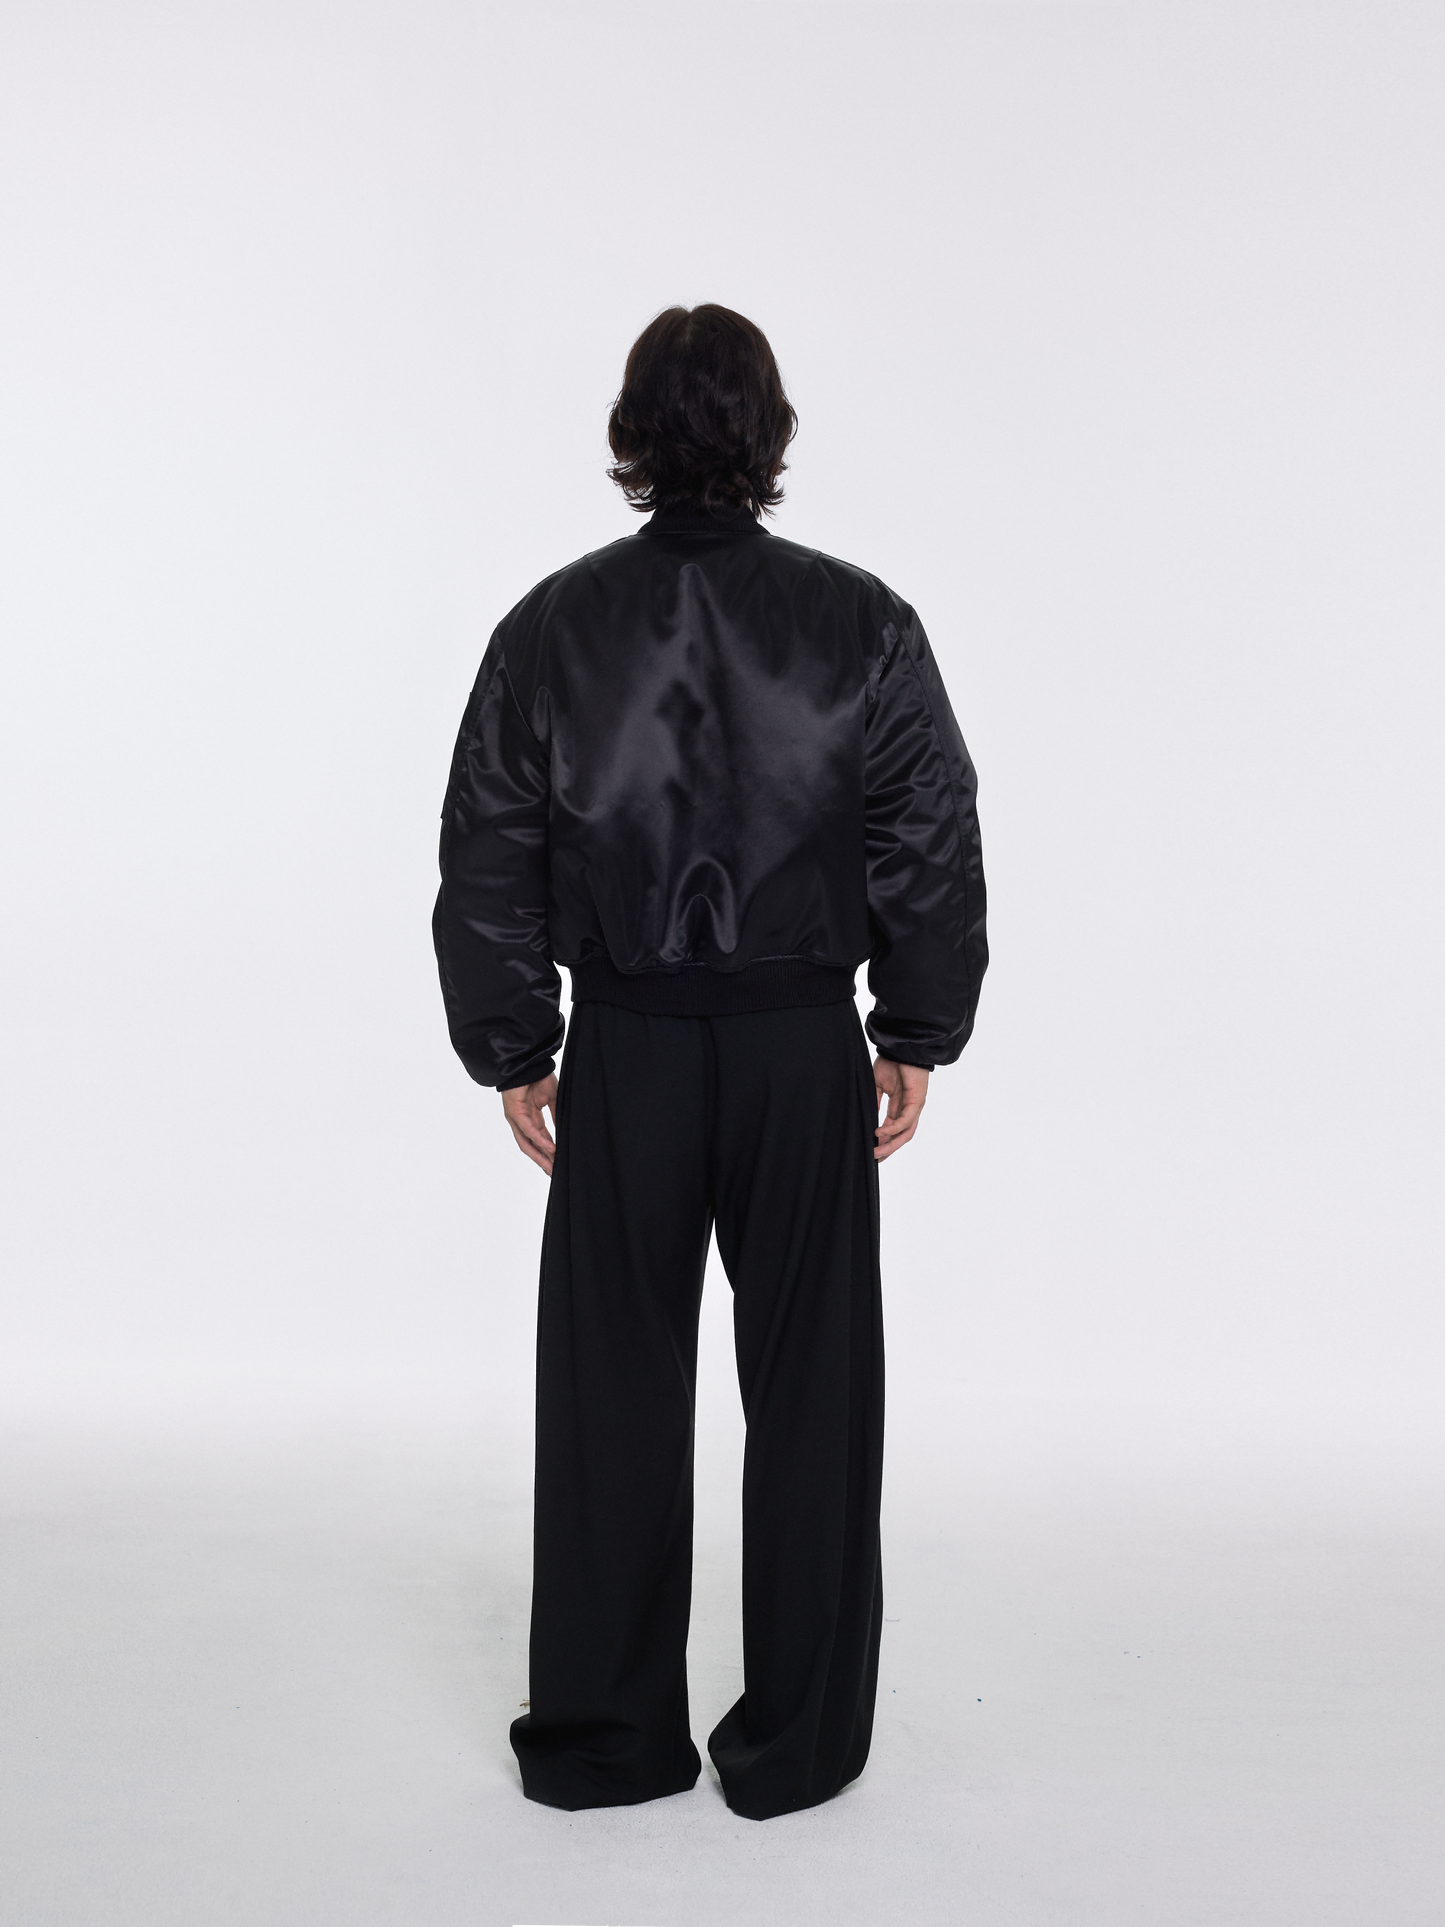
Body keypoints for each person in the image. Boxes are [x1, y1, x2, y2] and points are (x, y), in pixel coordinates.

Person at [433, 304, 986, 1822]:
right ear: (772, 430)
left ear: (631, 433)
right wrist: (914, 1027)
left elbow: (490, 844)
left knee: (609, 1389)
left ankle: (609, 1736)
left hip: (626, 1047)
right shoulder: (863, 623)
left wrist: (516, 1042)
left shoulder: (551, 626)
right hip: (802, 1045)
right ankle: (800, 1742)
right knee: (815, 1389)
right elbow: (927, 835)